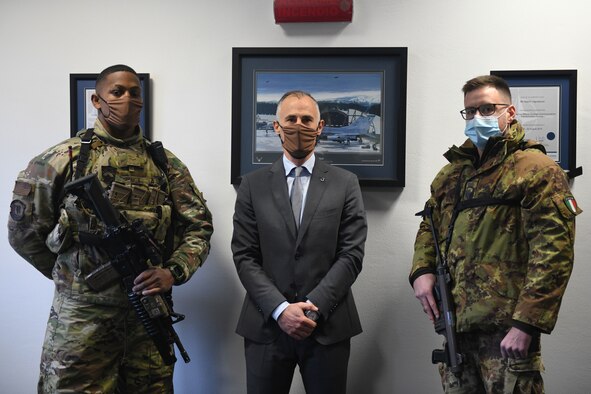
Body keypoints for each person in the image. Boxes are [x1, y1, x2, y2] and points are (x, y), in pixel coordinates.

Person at [8, 64, 213, 393]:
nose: (127, 99)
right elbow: (24, 234)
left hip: (147, 318)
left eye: (134, 93)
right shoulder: (62, 160)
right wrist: (73, 278)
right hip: (81, 324)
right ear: (97, 101)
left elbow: (198, 228)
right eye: (117, 92)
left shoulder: (166, 165)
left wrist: (172, 271)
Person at [410, 75, 581, 393]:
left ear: (510, 112)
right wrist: (421, 271)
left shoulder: (536, 168)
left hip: (508, 333)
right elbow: (428, 225)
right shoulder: (452, 175)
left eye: (487, 109)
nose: (477, 118)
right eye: (470, 112)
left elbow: (554, 251)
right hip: (456, 329)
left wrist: (526, 324)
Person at [231, 90, 367, 394]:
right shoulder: (252, 186)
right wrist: (281, 309)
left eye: (307, 119)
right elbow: (244, 255)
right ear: (276, 126)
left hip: (327, 325)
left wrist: (312, 308)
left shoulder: (345, 184)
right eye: (290, 119)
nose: (298, 126)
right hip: (266, 322)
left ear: (320, 127)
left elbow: (351, 255)